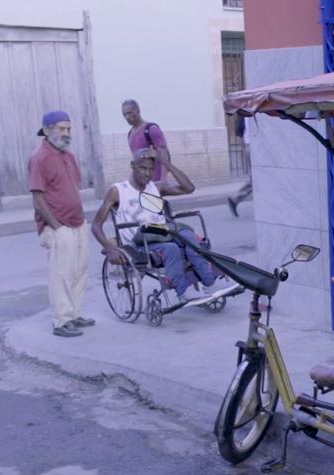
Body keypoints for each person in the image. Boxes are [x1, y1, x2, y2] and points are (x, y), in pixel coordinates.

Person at [91, 149, 218, 304]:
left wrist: (165, 163)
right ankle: (182, 291)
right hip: (140, 243)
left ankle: (209, 283)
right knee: (171, 248)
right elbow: (96, 225)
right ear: (133, 166)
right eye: (143, 168)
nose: (147, 173)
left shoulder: (156, 188)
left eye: (151, 169)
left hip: (162, 234)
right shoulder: (118, 191)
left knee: (188, 237)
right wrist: (110, 248)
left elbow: (188, 188)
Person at [30, 110, 93, 338]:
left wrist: (80, 221)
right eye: (61, 129)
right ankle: (61, 321)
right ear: (47, 131)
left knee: (79, 270)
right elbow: (38, 198)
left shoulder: (68, 155)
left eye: (69, 129)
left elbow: (72, 188)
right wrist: (56, 226)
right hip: (58, 226)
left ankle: (74, 315)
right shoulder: (39, 157)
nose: (67, 133)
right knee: (61, 274)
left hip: (77, 222)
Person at [123, 99, 169, 183]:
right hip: (141, 182)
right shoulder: (130, 133)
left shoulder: (151, 129)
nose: (127, 117)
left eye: (129, 113)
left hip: (155, 181)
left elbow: (164, 153)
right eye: (124, 114)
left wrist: (163, 180)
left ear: (138, 111)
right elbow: (136, 160)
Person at [228, 115, 252, 216]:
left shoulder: (245, 112)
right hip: (254, 146)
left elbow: (240, 130)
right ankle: (236, 198)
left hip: (248, 145)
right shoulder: (254, 110)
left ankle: (236, 199)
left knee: (257, 178)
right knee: (258, 178)